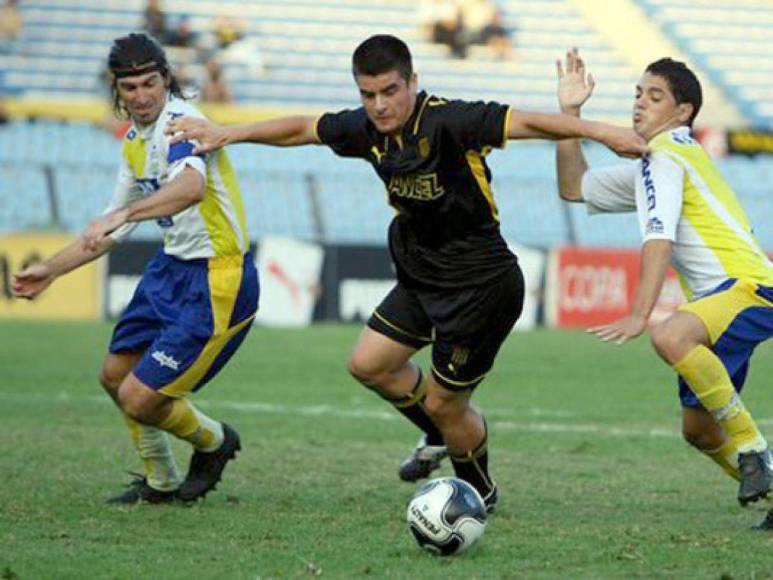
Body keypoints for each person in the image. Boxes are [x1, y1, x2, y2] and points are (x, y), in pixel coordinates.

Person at [166, 34, 646, 511]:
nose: (379, 105)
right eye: (368, 94)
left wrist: (603, 131)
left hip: (481, 284)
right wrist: (227, 132)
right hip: (421, 272)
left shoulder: (449, 120)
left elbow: (528, 123)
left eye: (390, 91)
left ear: (413, 81)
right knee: (369, 365)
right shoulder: (366, 130)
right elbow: (303, 128)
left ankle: (478, 493)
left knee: (445, 402)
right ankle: (439, 435)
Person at [13, 33, 258, 505]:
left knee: (140, 398)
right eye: (130, 88)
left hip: (218, 278)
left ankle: (214, 442)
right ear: (117, 91)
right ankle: (161, 481)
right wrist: (51, 270)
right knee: (113, 376)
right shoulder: (134, 141)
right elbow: (109, 228)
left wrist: (124, 214)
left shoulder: (184, 125)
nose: (142, 96)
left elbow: (190, 190)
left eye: (150, 83)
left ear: (166, 80)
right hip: (171, 269)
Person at [554, 48, 773, 527]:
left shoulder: (665, 155)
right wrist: (571, 116)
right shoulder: (654, 162)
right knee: (699, 431)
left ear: (683, 113)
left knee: (670, 335)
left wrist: (639, 313)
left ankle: (756, 450)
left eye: (654, 97)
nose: (639, 105)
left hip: (749, 287)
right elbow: (574, 187)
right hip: (725, 299)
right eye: (637, 95)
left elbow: (659, 236)